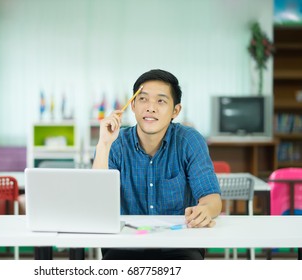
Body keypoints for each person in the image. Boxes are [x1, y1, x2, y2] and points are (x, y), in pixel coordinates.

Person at [92, 69, 222, 260]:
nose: (150, 107)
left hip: (179, 245)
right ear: (133, 105)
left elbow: (212, 199)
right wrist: (103, 144)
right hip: (126, 246)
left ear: (175, 111)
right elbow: (97, 203)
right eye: (143, 99)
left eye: (161, 101)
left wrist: (205, 210)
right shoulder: (115, 143)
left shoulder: (189, 141)